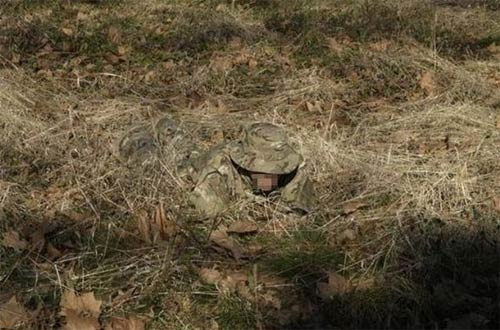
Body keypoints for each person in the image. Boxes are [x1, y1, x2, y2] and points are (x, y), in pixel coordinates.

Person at [184, 122, 315, 216]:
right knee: (177, 140)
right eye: (262, 170)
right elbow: (213, 215)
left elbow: (297, 209)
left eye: (277, 168)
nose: (271, 175)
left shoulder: (292, 169)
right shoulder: (219, 167)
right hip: (188, 166)